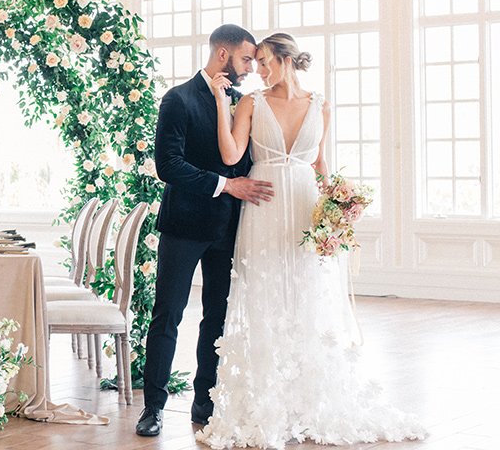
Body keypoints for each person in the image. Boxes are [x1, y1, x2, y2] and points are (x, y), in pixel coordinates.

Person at [196, 33, 426, 449]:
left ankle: (306, 400)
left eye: (265, 62)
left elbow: (319, 162)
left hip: (305, 204)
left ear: (286, 59)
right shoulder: (250, 102)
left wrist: (338, 205)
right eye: (257, 63)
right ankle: (269, 402)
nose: (259, 71)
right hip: (264, 205)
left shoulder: (320, 104)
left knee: (305, 295)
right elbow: (231, 157)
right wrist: (219, 103)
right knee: (266, 294)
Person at [136, 24, 274, 437]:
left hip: (231, 228)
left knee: (217, 317)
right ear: (222, 56)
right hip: (184, 226)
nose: (252, 67)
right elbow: (169, 165)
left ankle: (204, 403)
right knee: (168, 316)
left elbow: (248, 161)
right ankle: (153, 408)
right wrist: (225, 184)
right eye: (247, 58)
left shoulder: (241, 102)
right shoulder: (177, 99)